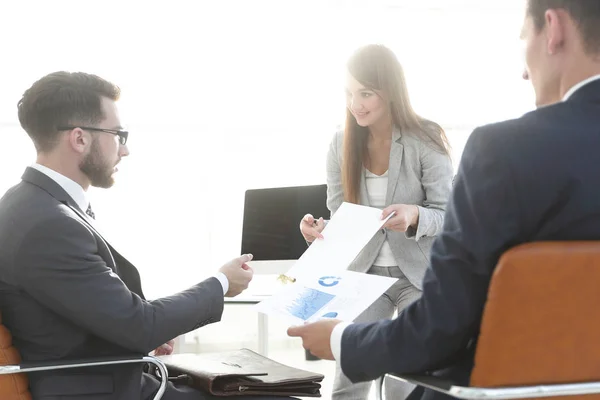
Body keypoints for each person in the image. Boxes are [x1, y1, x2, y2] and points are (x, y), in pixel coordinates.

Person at [288, 1, 600, 400]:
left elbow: (443, 325)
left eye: (524, 38)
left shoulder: (502, 152)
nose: (524, 70)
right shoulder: (341, 143)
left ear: (553, 29)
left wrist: (341, 343)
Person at [0, 71, 296, 400]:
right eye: (118, 134)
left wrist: (140, 332)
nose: (124, 150)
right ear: (80, 139)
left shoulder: (29, 203)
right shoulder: (47, 224)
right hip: (107, 390)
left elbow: (96, 311)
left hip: (117, 372)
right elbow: (140, 325)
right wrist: (222, 283)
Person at [298, 44, 453, 400]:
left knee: (406, 378)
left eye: (365, 93)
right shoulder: (341, 142)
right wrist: (317, 232)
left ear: (390, 91)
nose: (356, 103)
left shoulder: (425, 139)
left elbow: (449, 216)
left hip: (420, 276)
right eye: (350, 93)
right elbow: (340, 215)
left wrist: (415, 216)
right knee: (349, 375)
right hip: (364, 276)